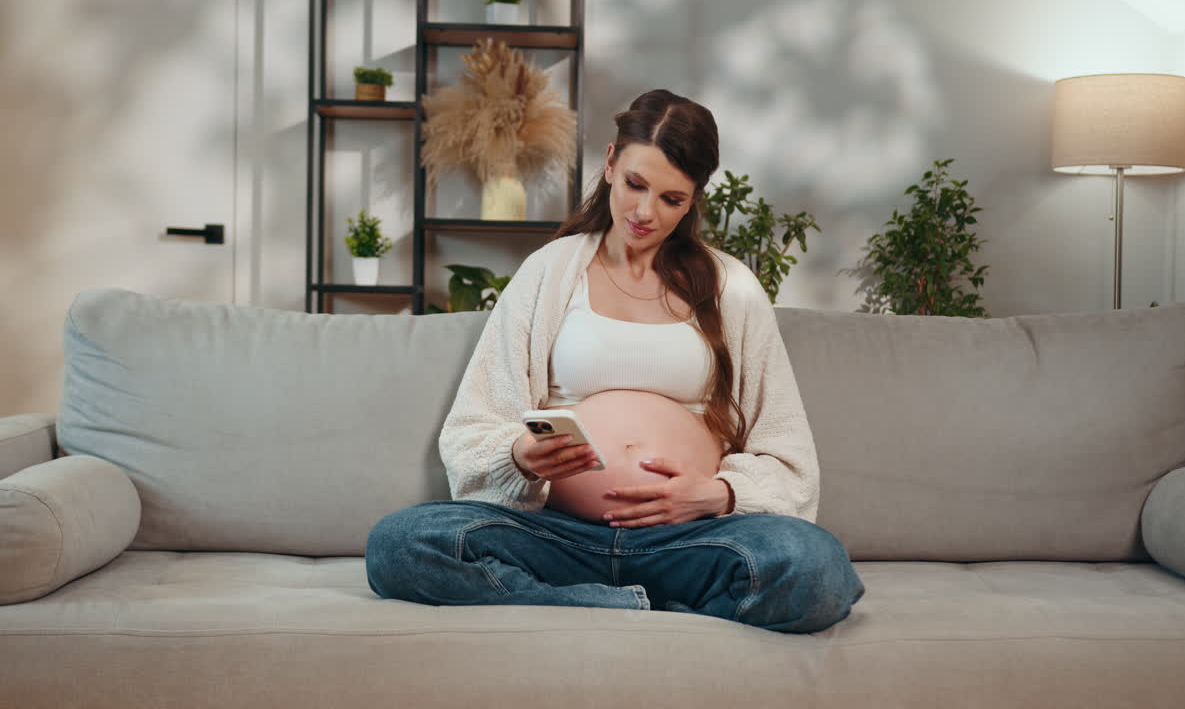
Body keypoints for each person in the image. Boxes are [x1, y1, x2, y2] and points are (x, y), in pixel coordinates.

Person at [365, 89, 864, 633]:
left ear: (694, 199)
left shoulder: (732, 289)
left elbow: (787, 450)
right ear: (609, 163)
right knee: (399, 544)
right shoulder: (549, 272)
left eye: (672, 199)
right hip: (558, 535)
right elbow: (475, 421)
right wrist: (521, 456)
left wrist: (718, 494)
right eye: (635, 185)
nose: (646, 212)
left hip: (687, 539)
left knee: (817, 568)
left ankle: (594, 602)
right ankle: (635, 607)